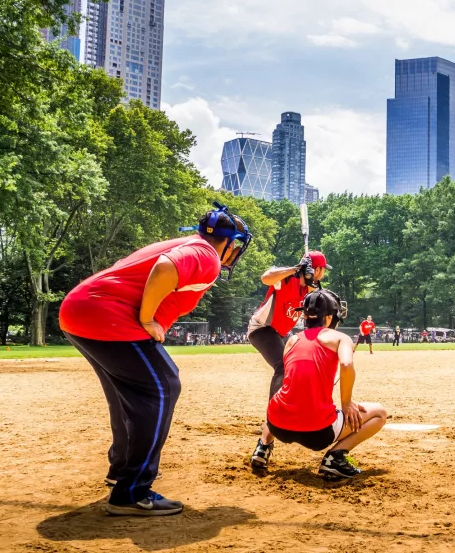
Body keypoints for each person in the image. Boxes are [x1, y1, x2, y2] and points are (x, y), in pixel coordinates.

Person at [59, 204, 252, 516]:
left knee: (127, 395)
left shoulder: (188, 244)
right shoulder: (206, 255)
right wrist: (147, 318)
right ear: (230, 244)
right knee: (162, 386)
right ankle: (132, 490)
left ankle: (122, 469)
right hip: (108, 317)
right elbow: (165, 268)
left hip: (80, 310)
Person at [262, 289, 387, 479]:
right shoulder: (340, 338)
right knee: (379, 413)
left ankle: (262, 448)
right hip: (317, 433)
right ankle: (334, 459)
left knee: (280, 399)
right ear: (328, 318)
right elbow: (346, 363)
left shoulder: (292, 340)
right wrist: (346, 403)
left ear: (304, 315)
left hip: (277, 425)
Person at [248, 251, 329, 471]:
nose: (323, 275)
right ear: (317, 268)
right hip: (262, 329)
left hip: (281, 333)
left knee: (295, 371)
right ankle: (267, 436)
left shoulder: (309, 290)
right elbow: (266, 277)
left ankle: (279, 421)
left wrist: (311, 282)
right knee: (282, 367)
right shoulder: (287, 279)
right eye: (322, 270)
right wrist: (296, 268)